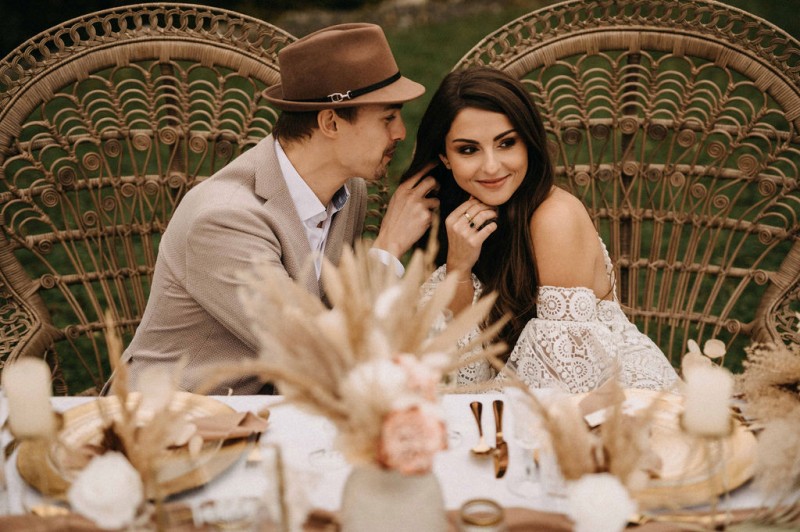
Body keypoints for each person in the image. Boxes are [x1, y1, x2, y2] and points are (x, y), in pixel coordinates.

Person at [118, 24, 438, 395]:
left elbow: (335, 318)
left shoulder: (350, 190)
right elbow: (315, 357)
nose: (400, 132)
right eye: (388, 117)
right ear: (330, 122)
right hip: (176, 420)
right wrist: (387, 251)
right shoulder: (223, 220)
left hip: (286, 412)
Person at [406, 66, 679, 393]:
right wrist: (459, 266)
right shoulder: (461, 218)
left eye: (506, 143)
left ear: (528, 143)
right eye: (468, 149)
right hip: (525, 408)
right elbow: (449, 358)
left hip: (614, 405)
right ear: (445, 158)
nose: (491, 166)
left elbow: (562, 383)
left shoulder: (554, 218)